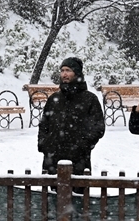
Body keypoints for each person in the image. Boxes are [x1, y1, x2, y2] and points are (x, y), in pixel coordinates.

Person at [37, 56, 106, 187]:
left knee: (78, 201)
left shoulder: (89, 99)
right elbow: (44, 124)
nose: (64, 74)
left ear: (77, 73)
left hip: (78, 160)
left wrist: (82, 145)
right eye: (62, 70)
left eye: (68, 70)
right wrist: (44, 144)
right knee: (50, 200)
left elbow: (98, 127)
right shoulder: (54, 99)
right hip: (52, 158)